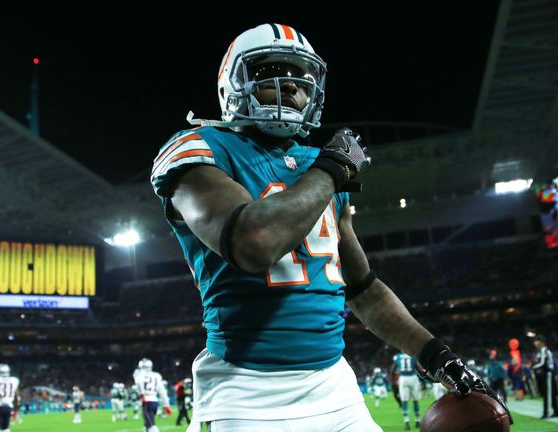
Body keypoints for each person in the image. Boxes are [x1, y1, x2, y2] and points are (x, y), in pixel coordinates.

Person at [150, 23, 511, 432]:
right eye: (270, 72)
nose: (290, 87)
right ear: (234, 82)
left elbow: (364, 290)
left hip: (335, 386)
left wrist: (438, 357)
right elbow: (253, 243)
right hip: (246, 392)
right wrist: (331, 170)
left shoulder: (317, 165)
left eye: (301, 79)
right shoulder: (198, 148)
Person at [133, 358, 172, 432]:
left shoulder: (139, 375)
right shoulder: (156, 375)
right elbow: (162, 391)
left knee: (151, 425)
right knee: (147, 425)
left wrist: (142, 395)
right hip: (155, 402)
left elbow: (139, 384)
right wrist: (166, 405)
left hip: (146, 401)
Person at [392, 352, 422, 430]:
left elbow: (393, 369)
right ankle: (417, 421)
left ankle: (407, 422)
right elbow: (418, 368)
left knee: (404, 401)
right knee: (415, 400)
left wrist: (392, 380)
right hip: (413, 378)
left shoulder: (398, 357)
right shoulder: (413, 356)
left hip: (403, 379)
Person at [533, 336, 558, 419]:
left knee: (547, 394)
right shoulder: (543, 351)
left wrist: (534, 367)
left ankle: (546, 413)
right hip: (547, 373)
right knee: (551, 394)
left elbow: (542, 363)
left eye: (537, 341)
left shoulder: (544, 350)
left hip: (548, 373)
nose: (535, 343)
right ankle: (557, 412)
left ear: (542, 342)